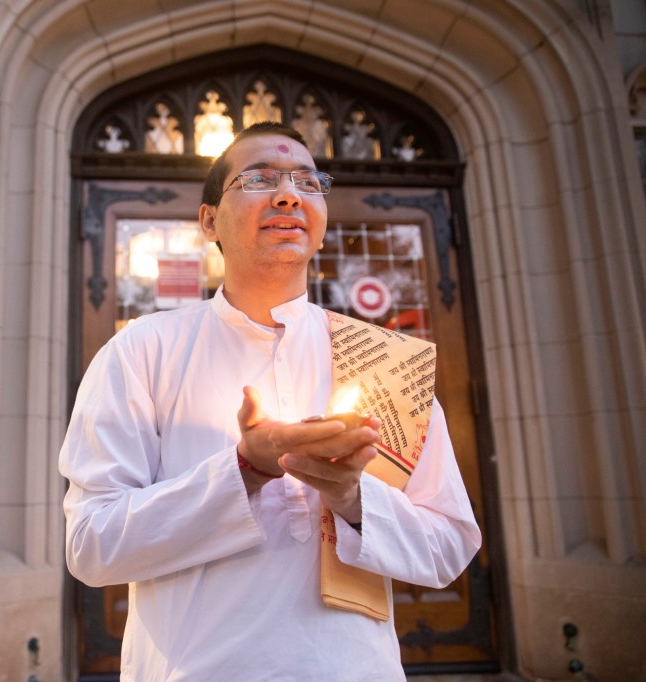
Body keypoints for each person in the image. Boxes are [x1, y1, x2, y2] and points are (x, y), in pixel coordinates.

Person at [59, 121, 481, 681]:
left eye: (307, 182)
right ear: (209, 220)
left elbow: (448, 546)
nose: (288, 194)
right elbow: (92, 545)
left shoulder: (387, 362)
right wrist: (244, 471)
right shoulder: (143, 351)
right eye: (257, 179)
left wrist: (353, 498)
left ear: (323, 223)